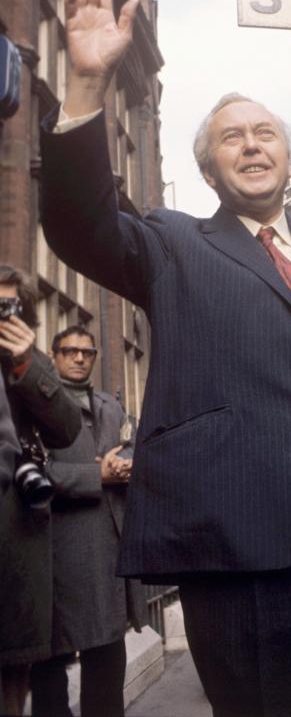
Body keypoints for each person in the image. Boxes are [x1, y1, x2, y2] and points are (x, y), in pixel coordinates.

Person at [38, 0, 291, 717]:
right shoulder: (173, 243)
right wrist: (86, 86)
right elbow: (80, 224)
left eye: (265, 133)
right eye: (232, 139)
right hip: (241, 544)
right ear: (211, 171)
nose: (252, 144)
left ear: (290, 152)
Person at [29, 325, 146, 717]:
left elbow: (130, 445)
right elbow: (31, 473)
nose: (79, 358)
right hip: (58, 551)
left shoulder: (110, 406)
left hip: (109, 551)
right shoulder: (35, 403)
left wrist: (126, 463)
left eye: (87, 352)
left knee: (108, 664)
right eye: (69, 351)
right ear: (53, 354)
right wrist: (98, 475)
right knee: (50, 667)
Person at [0, 266, 82, 716]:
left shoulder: (29, 361)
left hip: (16, 540)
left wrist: (26, 365)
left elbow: (67, 429)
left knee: (15, 675)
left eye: (6, 307)